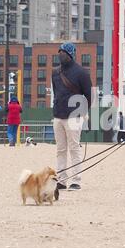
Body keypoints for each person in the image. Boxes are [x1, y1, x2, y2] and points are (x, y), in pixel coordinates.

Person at [52, 42, 92, 191]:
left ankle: (76, 180)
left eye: (63, 52)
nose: (61, 54)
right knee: (60, 149)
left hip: (74, 116)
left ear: (70, 54)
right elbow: (56, 93)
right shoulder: (55, 72)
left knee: (74, 148)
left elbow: (88, 95)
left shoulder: (82, 73)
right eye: (60, 52)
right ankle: (61, 180)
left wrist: (83, 112)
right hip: (58, 115)